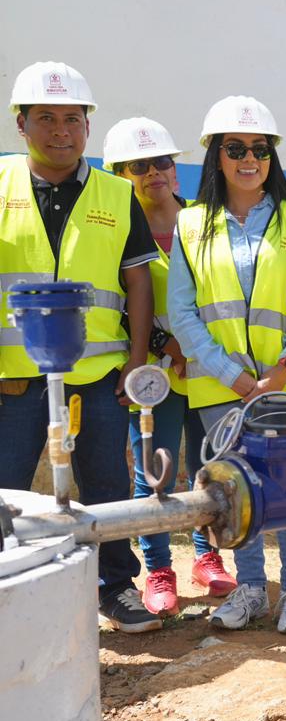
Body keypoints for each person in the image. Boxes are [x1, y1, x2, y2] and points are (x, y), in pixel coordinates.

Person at [0, 62, 161, 633]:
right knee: (9, 488)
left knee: (107, 485)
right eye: (46, 118)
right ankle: (12, 591)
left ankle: (115, 587)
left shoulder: (117, 194)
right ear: (21, 125)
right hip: (13, 377)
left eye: (73, 119)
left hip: (98, 373)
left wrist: (137, 362)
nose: (61, 131)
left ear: (88, 128)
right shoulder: (0, 185)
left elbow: (138, 279)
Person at [169, 95, 286, 634]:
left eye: (260, 148)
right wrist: (232, 375)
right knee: (236, 487)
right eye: (236, 149)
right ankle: (251, 587)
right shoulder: (191, 225)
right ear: (216, 156)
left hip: (285, 382)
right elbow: (181, 313)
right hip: (219, 386)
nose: (248, 158)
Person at [103, 117, 237, 616]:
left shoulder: (203, 220)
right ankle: (159, 569)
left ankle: (206, 557)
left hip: (206, 367)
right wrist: (163, 341)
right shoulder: (114, 229)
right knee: (153, 472)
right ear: (119, 173)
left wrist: (193, 344)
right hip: (154, 375)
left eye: (163, 161)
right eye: (140, 165)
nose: (155, 171)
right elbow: (116, 301)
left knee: (208, 467)